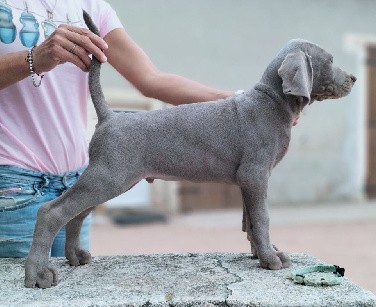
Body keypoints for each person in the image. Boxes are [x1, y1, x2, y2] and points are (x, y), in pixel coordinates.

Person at [0, 0, 233, 258]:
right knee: (18, 295)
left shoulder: (91, 7)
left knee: (72, 292)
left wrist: (242, 102)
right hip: (11, 184)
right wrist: (33, 58)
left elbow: (151, 79)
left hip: (76, 180)